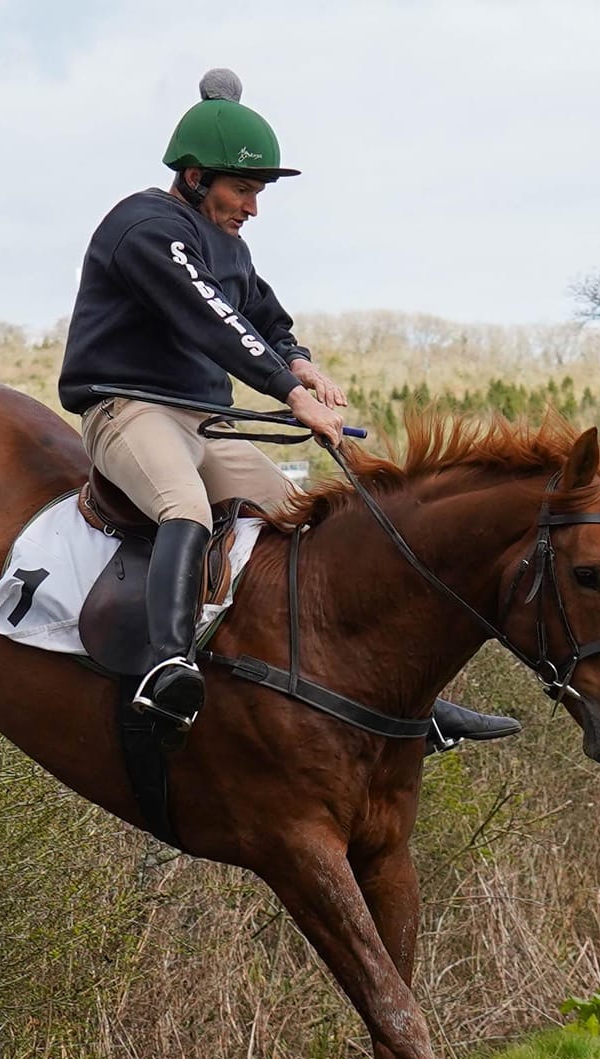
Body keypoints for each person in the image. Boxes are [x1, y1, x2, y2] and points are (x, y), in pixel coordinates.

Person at [57, 69, 519, 749]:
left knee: (304, 522)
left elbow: (264, 317)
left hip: (204, 423)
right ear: (193, 176)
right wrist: (292, 393)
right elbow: (213, 320)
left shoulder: (231, 248)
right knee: (182, 506)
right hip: (129, 412)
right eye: (243, 189)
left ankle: (412, 704)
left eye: (257, 193)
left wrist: (299, 360)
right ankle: (166, 664)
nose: (252, 206)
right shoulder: (145, 227)